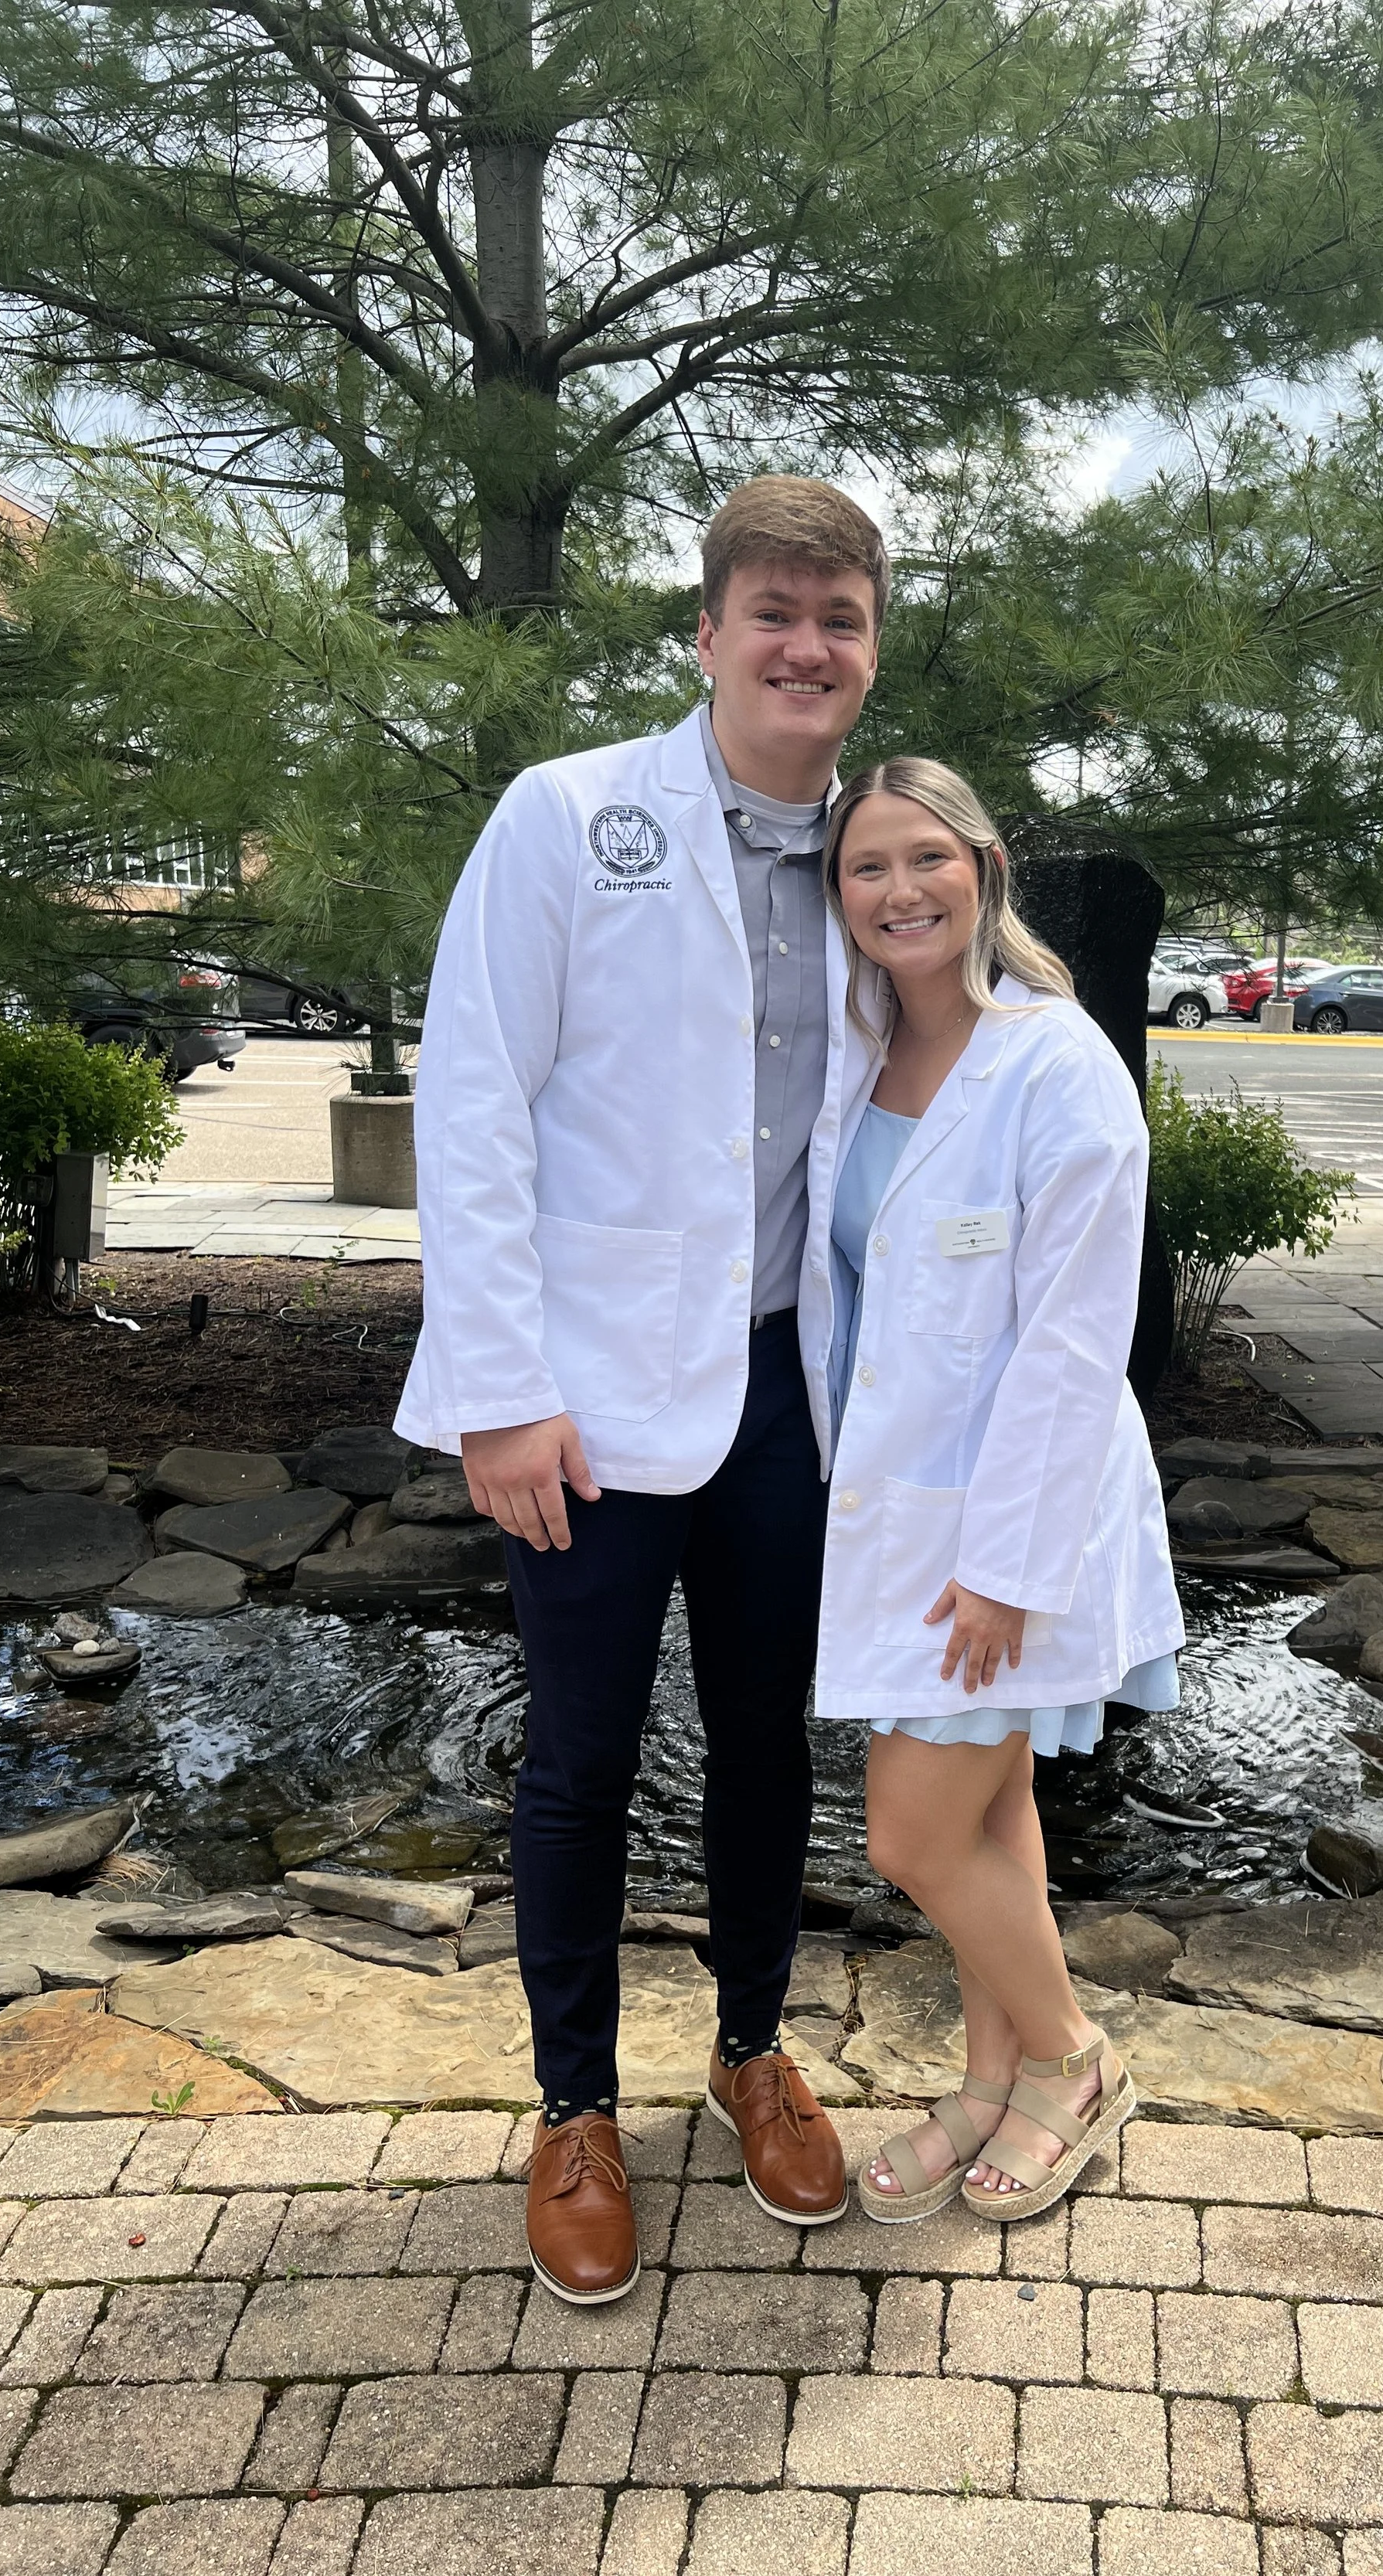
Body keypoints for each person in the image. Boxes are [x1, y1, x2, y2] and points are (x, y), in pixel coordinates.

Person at [397, 478, 893, 2303]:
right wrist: (498, 1391)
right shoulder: (569, 817)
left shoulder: (878, 855)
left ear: (867, 648)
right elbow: (472, 1102)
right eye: (772, 610)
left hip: (783, 1394)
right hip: (587, 1404)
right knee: (582, 1756)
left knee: (769, 1742)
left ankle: (752, 2043)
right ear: (705, 633)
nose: (804, 646)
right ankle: (574, 2105)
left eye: (838, 618)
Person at [800, 757, 1185, 2224]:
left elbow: (1080, 1340)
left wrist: (1011, 1564)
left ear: (984, 866)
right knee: (989, 1815)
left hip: (1021, 1522)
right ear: (838, 898)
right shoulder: (856, 1059)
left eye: (924, 860)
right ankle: (987, 2085)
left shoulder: (1056, 1062)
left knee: (909, 1835)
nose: (899, 892)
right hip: (894, 1506)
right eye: (864, 869)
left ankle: (1076, 2061)